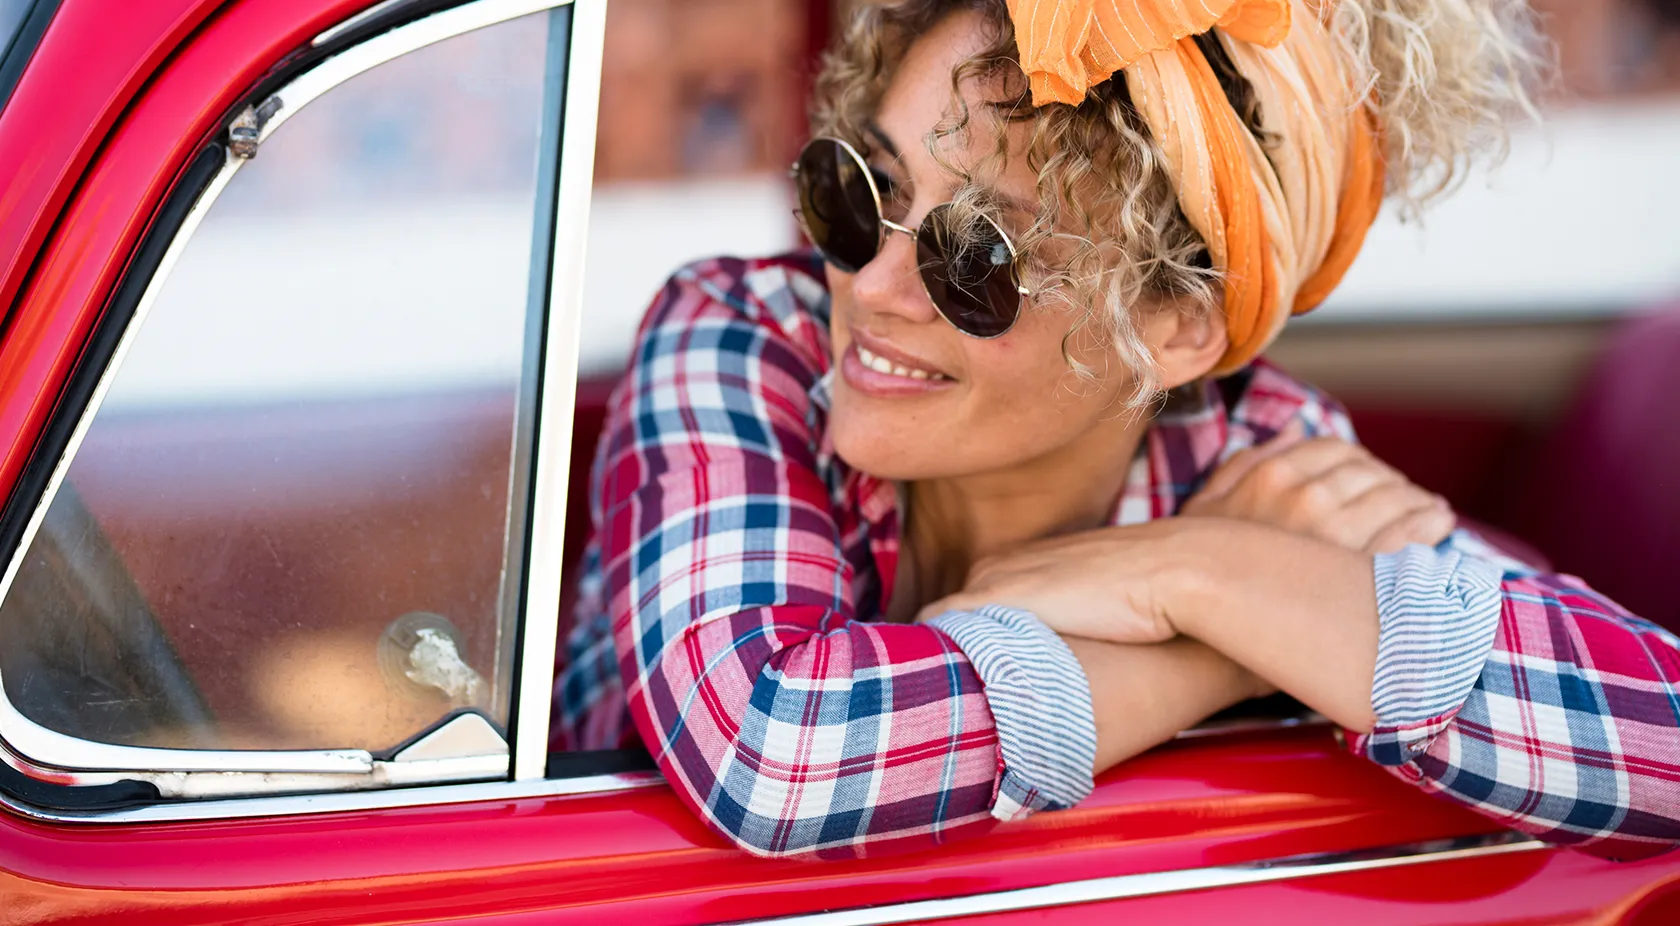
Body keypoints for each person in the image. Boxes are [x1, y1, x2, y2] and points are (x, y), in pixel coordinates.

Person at [554, 0, 1680, 860]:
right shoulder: (748, 330)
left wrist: (1190, 566)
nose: (875, 283)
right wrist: (1217, 648)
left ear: (1180, 328)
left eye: (975, 258)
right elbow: (774, 750)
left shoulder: (1265, 468)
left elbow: (1660, 738)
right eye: (859, 191)